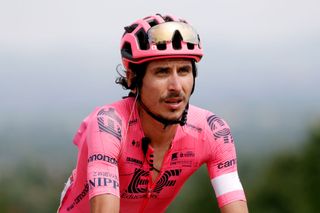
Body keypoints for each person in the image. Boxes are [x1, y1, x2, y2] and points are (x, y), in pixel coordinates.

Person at [58, 14, 248, 213]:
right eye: (162, 72)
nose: (176, 86)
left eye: (183, 71)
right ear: (132, 79)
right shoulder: (109, 126)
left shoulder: (213, 131)